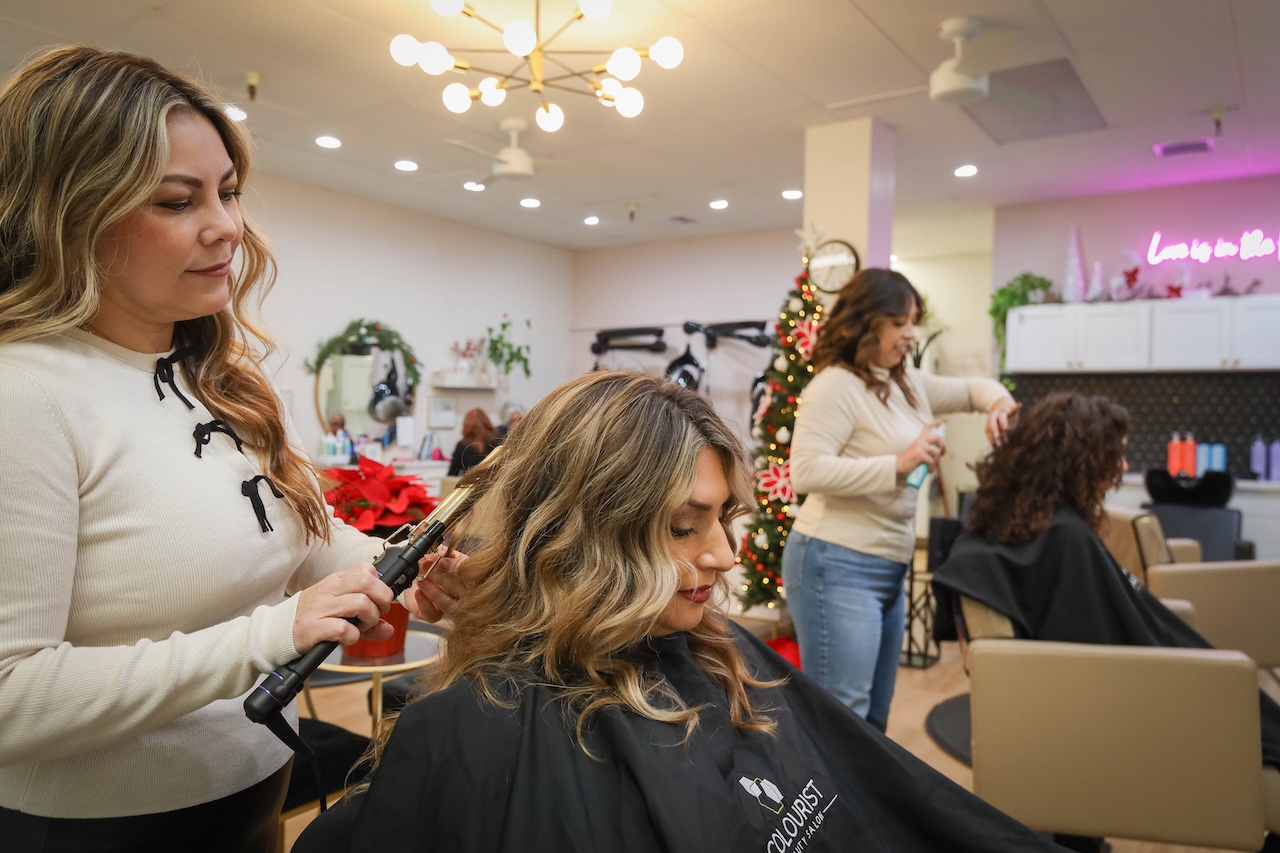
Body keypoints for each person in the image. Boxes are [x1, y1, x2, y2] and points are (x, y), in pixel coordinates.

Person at [293, 371, 1057, 852]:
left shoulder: (712, 650)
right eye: (685, 526)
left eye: (722, 518)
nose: (725, 554)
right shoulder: (480, 727)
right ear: (583, 537)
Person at [0, 46, 457, 851]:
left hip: (254, 787)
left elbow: (304, 542)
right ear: (69, 214)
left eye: (230, 191)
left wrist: (405, 572)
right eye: (178, 201)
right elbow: (11, 695)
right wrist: (267, 637)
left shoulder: (225, 377)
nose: (228, 226)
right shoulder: (26, 395)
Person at [931, 392, 1280, 771]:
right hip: (1147, 688)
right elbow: (1101, 641)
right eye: (1116, 455)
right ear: (1082, 462)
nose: (1124, 465)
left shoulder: (1023, 523)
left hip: (1158, 672)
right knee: (1258, 724)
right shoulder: (1066, 538)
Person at [782, 268, 1019, 732]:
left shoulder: (905, 381)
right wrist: (900, 463)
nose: (911, 334)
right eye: (900, 322)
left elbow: (973, 390)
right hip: (835, 562)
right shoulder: (833, 386)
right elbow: (805, 472)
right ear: (865, 323)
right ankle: (835, 807)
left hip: (888, 564)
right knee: (844, 718)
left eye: (914, 321)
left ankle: (869, 807)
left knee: (875, 717)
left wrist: (1000, 404)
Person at [447, 406, 498, 476]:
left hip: (470, 485)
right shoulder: (498, 441)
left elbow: (451, 475)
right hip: (495, 485)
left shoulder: (462, 445)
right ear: (487, 422)